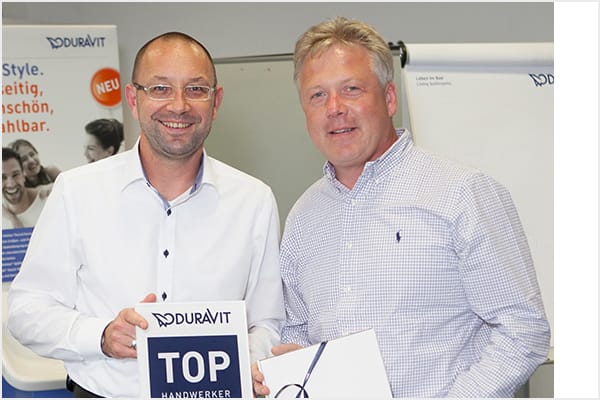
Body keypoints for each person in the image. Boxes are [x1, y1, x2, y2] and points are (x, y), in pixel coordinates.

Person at [252, 17, 551, 398]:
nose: (335, 108)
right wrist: (284, 371)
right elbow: (297, 331)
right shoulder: (303, 217)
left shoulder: (463, 194)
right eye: (317, 95)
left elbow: (523, 330)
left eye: (351, 89)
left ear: (390, 98)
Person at [7, 31, 285, 398]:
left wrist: (243, 361)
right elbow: (26, 310)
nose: (179, 105)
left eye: (196, 89)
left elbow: (267, 322)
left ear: (215, 102)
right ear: (132, 99)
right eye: (160, 88)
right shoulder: (76, 191)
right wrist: (102, 336)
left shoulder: (254, 201)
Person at [2, 147, 49, 229]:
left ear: (23, 175)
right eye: (2, 177)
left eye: (15, 175)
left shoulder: (47, 201)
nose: (11, 184)